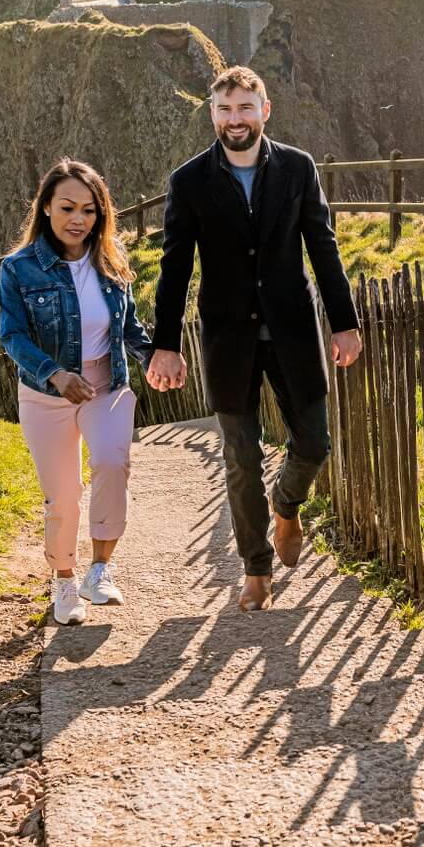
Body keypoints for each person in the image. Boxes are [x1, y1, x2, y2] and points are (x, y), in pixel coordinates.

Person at [145, 65, 361, 610]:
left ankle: (286, 507)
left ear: (265, 110)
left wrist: (345, 322)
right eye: (224, 109)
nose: (235, 119)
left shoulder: (298, 168)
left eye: (245, 107)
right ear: (212, 115)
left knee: (314, 443)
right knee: (241, 455)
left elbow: (323, 246)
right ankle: (256, 570)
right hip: (226, 337)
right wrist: (164, 344)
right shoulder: (188, 182)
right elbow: (174, 268)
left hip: (292, 328)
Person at [0, 159, 152, 625]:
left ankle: (99, 569)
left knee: (111, 461)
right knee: (63, 494)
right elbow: (13, 336)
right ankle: (63, 581)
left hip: (107, 385)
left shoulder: (112, 260)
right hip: (47, 394)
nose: (78, 219)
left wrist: (156, 356)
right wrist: (56, 375)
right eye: (67, 207)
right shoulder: (19, 269)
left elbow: (128, 326)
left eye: (89, 210)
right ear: (46, 208)